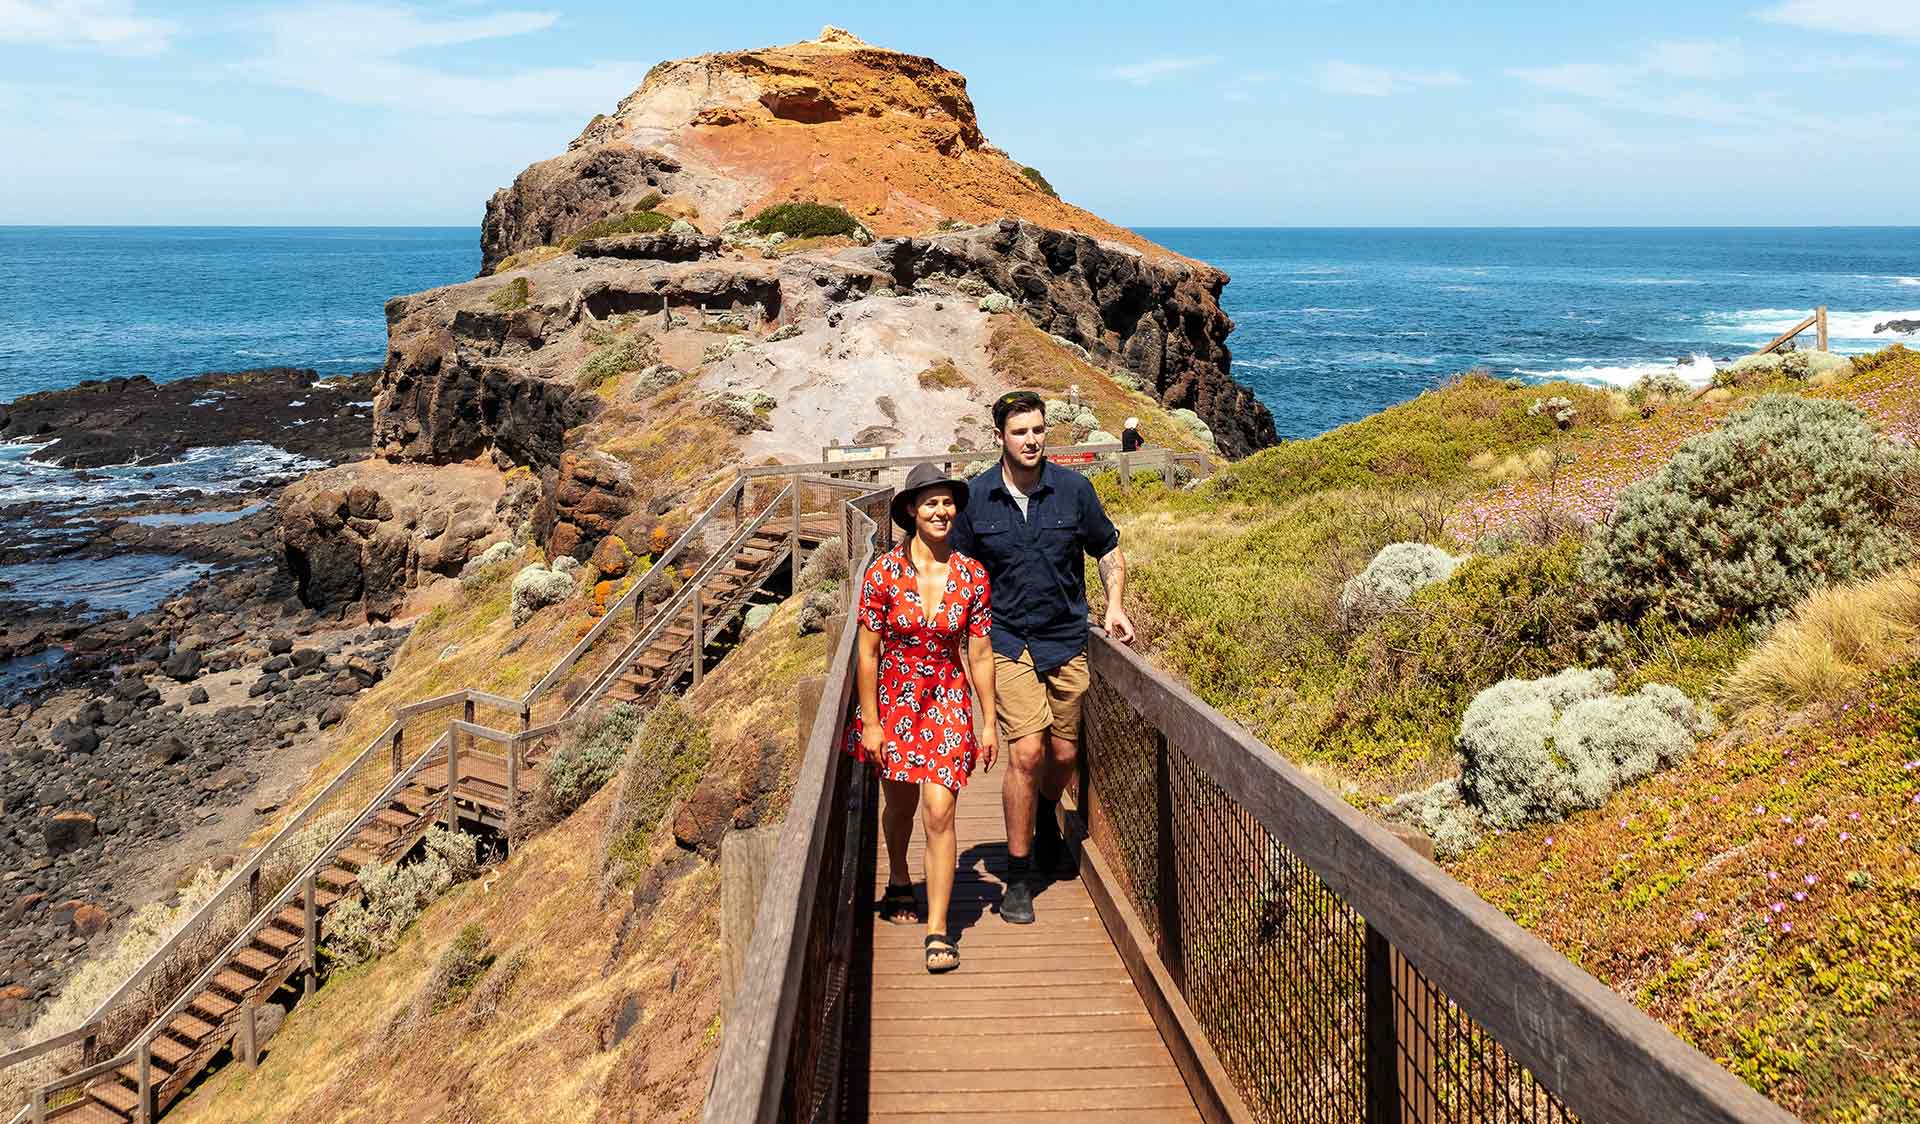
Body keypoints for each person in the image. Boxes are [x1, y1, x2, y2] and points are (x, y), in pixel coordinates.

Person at [952, 390, 1134, 925]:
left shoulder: (1074, 491)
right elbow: (957, 570)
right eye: (1019, 432)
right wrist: (955, 642)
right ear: (1000, 439)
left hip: (1065, 640)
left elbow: (1108, 547)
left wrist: (1115, 605)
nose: (1030, 440)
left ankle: (1049, 814)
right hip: (1007, 642)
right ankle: (1018, 873)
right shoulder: (976, 498)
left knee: (1061, 755)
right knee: (1026, 753)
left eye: (1037, 430)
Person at [848, 463, 998, 973]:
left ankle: (938, 929)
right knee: (902, 806)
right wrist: (870, 722)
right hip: (895, 701)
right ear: (912, 510)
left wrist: (989, 720)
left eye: (947, 502)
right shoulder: (882, 574)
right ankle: (897, 876)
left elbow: (979, 653)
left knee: (940, 810)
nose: (941, 512)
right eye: (930, 503)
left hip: (948, 701)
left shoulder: (973, 575)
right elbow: (867, 653)